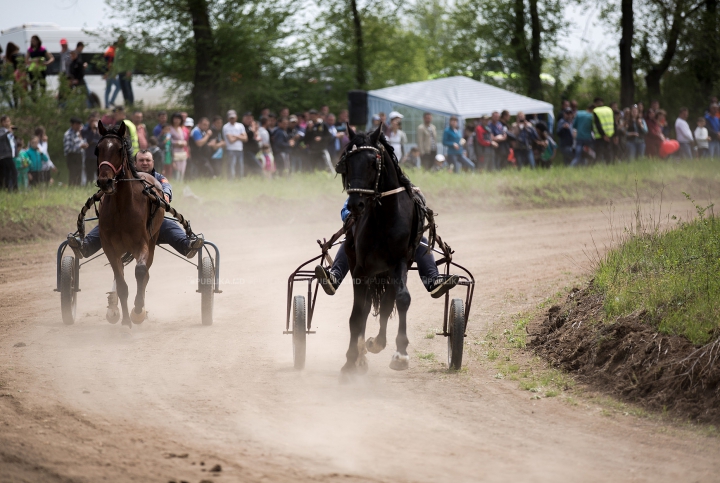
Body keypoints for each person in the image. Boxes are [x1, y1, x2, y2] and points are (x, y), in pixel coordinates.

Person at [67, 150, 204, 260]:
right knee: (105, 225)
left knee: (168, 225)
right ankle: (85, 247)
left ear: (153, 162)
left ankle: (187, 246)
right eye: (141, 160)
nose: (145, 163)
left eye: (147, 160)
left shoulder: (159, 178)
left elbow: (167, 190)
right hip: (122, 222)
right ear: (135, 163)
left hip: (152, 220)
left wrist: (164, 198)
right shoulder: (122, 179)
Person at [315, 199, 459, 299]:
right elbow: (345, 210)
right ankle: (335, 277)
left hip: (396, 239)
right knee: (350, 240)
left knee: (421, 241)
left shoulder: (402, 190)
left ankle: (433, 281)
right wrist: (356, 216)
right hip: (367, 237)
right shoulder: (362, 190)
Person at [222, 110, 247, 178]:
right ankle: (231, 181)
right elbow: (231, 140)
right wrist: (240, 136)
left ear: (236, 117)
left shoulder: (240, 126)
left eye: (233, 117)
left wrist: (235, 136)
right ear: (228, 118)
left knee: (240, 166)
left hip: (240, 149)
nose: (232, 119)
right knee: (231, 167)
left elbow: (245, 138)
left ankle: (240, 180)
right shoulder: (226, 127)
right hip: (230, 150)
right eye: (230, 118)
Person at [64, 117, 88, 186]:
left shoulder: (79, 133)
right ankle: (72, 188)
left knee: (79, 173)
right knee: (73, 173)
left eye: (79, 124)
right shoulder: (68, 134)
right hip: (72, 157)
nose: (78, 126)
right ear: (72, 125)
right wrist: (80, 147)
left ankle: (78, 188)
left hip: (79, 156)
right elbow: (68, 149)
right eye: (76, 124)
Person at [592, 98, 615, 164]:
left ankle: (597, 166)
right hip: (610, 135)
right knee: (609, 152)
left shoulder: (596, 111)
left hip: (600, 136)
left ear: (595, 104)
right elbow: (614, 123)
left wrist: (603, 135)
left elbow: (598, 124)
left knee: (599, 153)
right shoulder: (609, 109)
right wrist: (615, 135)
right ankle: (610, 166)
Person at [82, 113, 102, 185]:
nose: (93, 123)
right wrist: (93, 131)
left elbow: (101, 141)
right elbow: (87, 140)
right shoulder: (85, 130)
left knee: (99, 174)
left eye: (95, 121)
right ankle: (88, 186)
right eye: (91, 121)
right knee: (89, 174)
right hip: (89, 156)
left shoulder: (101, 130)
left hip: (98, 157)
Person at [114, 36, 134, 105]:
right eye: (119, 41)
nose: (120, 42)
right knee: (123, 89)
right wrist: (114, 72)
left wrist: (129, 70)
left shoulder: (128, 49)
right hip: (120, 72)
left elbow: (131, 61)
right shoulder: (117, 50)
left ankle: (131, 103)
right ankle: (126, 103)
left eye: (122, 41)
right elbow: (115, 62)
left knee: (128, 88)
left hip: (126, 72)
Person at [168, 112, 188, 181]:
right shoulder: (170, 129)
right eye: (175, 119)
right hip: (173, 151)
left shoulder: (181, 128)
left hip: (182, 151)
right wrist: (178, 142)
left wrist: (184, 143)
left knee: (182, 168)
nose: (177, 120)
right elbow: (168, 141)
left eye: (178, 119)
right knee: (176, 168)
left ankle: (181, 182)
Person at [0, 115, 17, 191]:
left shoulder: (9, 132)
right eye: (7, 121)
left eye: (9, 121)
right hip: (4, 155)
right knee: (13, 171)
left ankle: (7, 189)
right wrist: (8, 132)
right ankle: (14, 188)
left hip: (10, 154)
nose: (8, 123)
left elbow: (12, 143)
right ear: (2, 122)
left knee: (7, 173)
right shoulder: (2, 131)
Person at [103, 42, 120, 108]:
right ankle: (111, 101)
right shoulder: (112, 52)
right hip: (110, 73)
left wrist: (104, 73)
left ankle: (107, 105)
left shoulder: (108, 51)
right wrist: (112, 74)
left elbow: (104, 64)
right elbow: (110, 64)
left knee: (108, 89)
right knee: (118, 86)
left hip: (107, 73)